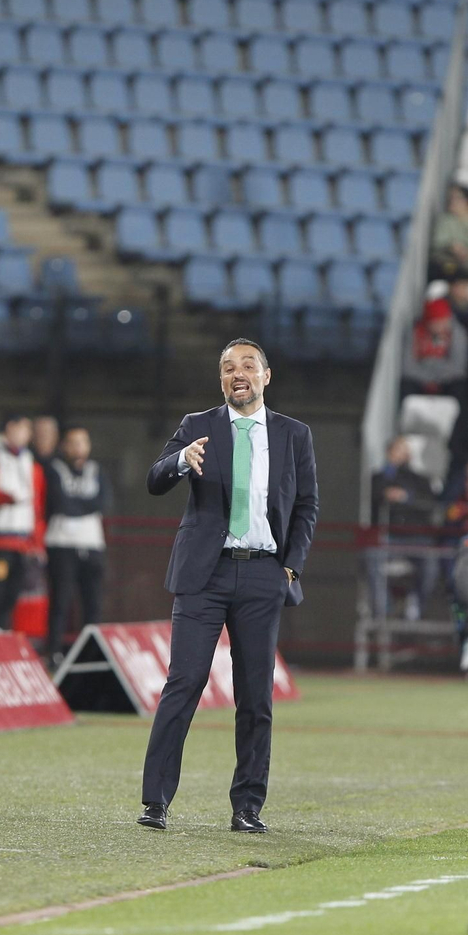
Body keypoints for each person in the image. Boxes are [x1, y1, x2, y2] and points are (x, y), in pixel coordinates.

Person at [139, 339, 318, 834]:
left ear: (266, 375)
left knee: (255, 695)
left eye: (247, 366)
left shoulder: (294, 434)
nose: (237, 374)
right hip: (204, 574)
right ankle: (155, 802)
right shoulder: (197, 426)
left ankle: (247, 807)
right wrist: (180, 461)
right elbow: (155, 478)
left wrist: (290, 568)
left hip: (264, 574)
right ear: (220, 379)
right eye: (227, 368)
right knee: (184, 682)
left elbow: (306, 507)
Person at [0, 412, 45, 629]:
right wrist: (9, 497)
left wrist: (36, 540)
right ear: (10, 428)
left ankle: (3, 632)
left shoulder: (27, 459)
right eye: (24, 428)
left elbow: (36, 504)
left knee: (12, 593)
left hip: (22, 541)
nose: (28, 434)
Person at [44, 424, 110, 659]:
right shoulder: (55, 469)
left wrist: (75, 505)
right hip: (61, 543)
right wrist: (84, 505)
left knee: (92, 602)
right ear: (64, 446)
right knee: (60, 601)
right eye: (72, 442)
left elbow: (102, 503)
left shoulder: (96, 470)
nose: (78, 448)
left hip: (92, 544)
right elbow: (59, 501)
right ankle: (53, 652)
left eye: (82, 442)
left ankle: (91, 654)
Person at [368, 435, 438, 621]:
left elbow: (429, 503)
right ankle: (385, 609)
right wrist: (387, 490)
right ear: (389, 452)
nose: (403, 454)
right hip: (388, 536)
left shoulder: (419, 480)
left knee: (431, 563)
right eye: (398, 449)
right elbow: (373, 497)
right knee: (371, 557)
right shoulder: (378, 478)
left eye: (405, 450)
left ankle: (415, 608)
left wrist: (406, 498)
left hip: (415, 537)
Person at [401, 282, 468, 397]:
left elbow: (459, 367)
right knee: (406, 386)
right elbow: (407, 366)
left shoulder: (457, 332)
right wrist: (427, 380)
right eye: (437, 323)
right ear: (428, 322)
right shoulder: (414, 332)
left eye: (444, 322)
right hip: (420, 379)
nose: (442, 326)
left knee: (459, 387)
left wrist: (437, 379)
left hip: (446, 379)